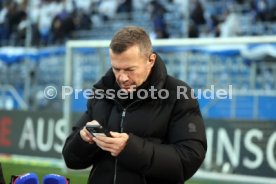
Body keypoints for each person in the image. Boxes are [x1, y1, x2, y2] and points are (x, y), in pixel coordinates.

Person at [62, 26, 207, 184]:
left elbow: (188, 160)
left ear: (150, 60)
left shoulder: (179, 93)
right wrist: (83, 141)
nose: (122, 78)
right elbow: (71, 159)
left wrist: (129, 149)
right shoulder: (102, 92)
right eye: (116, 69)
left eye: (130, 69)